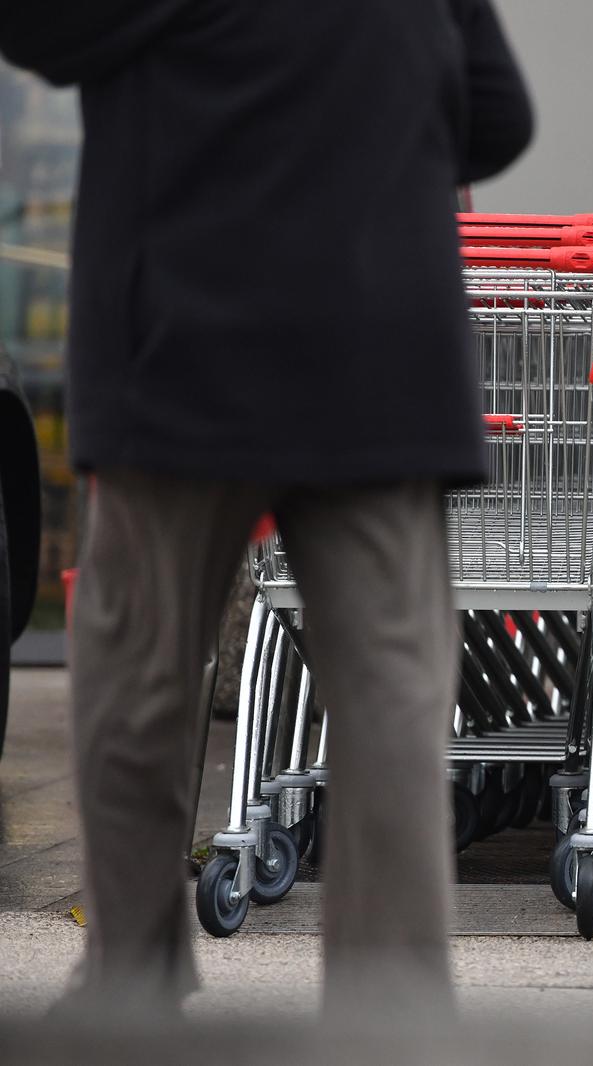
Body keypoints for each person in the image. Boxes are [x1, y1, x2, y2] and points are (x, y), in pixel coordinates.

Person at [0, 0, 532, 1018]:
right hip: (382, 339)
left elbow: (38, 29)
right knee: (390, 694)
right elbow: (497, 115)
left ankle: (131, 988)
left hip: (177, 330)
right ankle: (394, 1012)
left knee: (141, 678)